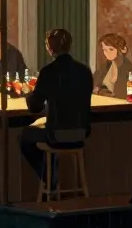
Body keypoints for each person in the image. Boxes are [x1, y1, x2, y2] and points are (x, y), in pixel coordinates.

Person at [20, 28, 94, 185]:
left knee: (24, 136)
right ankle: (52, 170)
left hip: (56, 135)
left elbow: (34, 106)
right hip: (82, 132)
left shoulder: (48, 72)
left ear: (49, 48)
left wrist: (28, 93)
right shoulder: (84, 71)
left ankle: (49, 176)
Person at [92, 33, 132, 99]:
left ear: (122, 49)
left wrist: (102, 92)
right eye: (104, 50)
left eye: (111, 49)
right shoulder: (104, 67)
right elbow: (93, 86)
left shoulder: (128, 69)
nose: (107, 53)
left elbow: (126, 95)